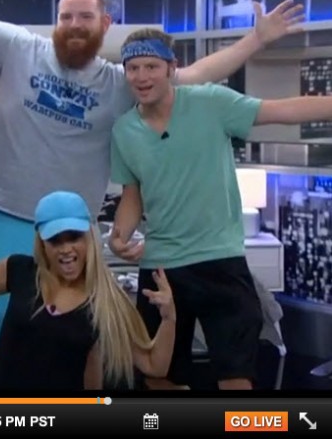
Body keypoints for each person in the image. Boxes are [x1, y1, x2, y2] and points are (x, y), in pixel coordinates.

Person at [0, 0, 304, 382]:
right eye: (66, 16)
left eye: (85, 16)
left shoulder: (121, 83)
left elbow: (192, 76)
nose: (75, 24)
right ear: (56, 22)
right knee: (0, 340)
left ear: (105, 24)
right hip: (6, 217)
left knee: (87, 340)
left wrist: (256, 39)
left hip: (75, 234)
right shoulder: (18, 49)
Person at [108, 27, 332, 390]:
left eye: (151, 66)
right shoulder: (123, 131)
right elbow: (132, 195)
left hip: (219, 261)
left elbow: (281, 110)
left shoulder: (209, 103)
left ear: (171, 68)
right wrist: (120, 237)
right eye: (133, 68)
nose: (141, 76)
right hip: (162, 266)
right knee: (158, 377)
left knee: (236, 378)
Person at [0, 191, 176, 390]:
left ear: (89, 238)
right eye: (55, 240)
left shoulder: (106, 299)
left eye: (74, 237)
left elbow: (154, 365)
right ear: (42, 244)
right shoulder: (21, 271)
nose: (66, 248)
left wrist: (169, 319)